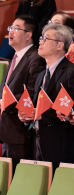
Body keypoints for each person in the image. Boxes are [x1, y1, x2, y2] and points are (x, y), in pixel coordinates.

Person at [33, 24, 74, 166]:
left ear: (60, 45)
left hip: (60, 143)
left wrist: (41, 114)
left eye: (45, 39)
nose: (40, 42)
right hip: (37, 140)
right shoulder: (41, 75)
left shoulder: (72, 72)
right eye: (41, 38)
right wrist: (27, 115)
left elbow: (68, 108)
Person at [1, 16, 45, 165]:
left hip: (20, 131)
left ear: (28, 34)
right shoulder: (15, 57)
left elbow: (32, 93)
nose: (11, 32)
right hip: (7, 130)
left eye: (16, 28)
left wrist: (5, 101)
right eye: (10, 28)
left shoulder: (36, 58)